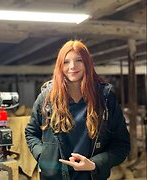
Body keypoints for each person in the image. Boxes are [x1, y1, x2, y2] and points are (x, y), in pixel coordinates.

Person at [25, 40, 130, 180]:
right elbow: (31, 132)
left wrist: (95, 164)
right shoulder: (47, 97)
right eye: (66, 62)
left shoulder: (104, 98)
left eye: (78, 60)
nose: (72, 66)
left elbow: (121, 144)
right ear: (60, 65)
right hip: (53, 177)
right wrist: (43, 155)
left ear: (87, 63)